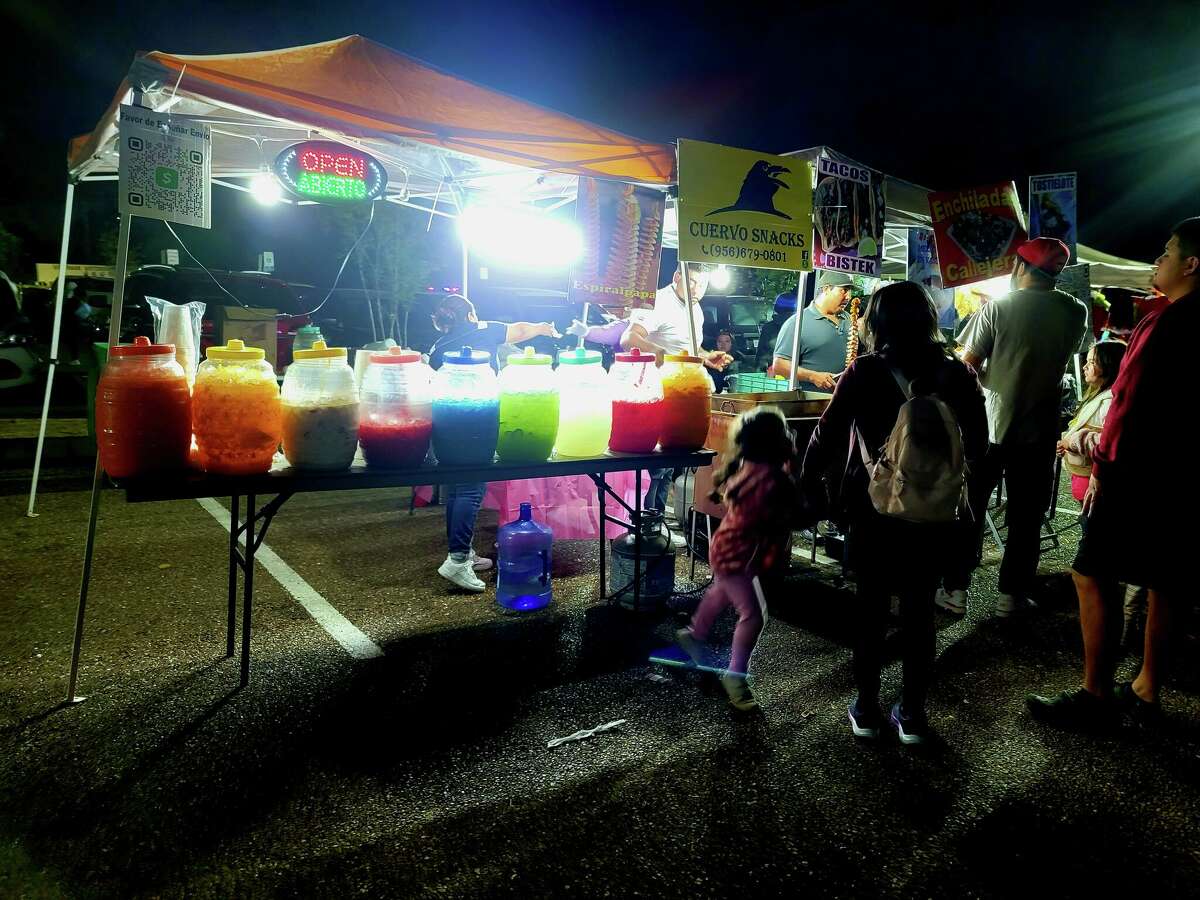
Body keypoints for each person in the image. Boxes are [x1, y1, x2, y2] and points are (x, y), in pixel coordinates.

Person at [1028, 219, 1199, 729]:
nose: (1158, 260)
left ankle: (1096, 693)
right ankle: (1146, 687)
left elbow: (1130, 402)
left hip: (1139, 473)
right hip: (1184, 476)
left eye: (1168, 252)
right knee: (1168, 580)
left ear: (1193, 263)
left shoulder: (1165, 322)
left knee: (1091, 572)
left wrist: (1102, 465)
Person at [799, 281, 988, 744]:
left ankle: (866, 708)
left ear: (877, 323)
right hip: (936, 514)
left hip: (873, 509)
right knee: (921, 611)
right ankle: (914, 715)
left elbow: (825, 436)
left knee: (871, 609)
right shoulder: (957, 375)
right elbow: (981, 445)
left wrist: (807, 488)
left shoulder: (863, 371)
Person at [938, 238, 1088, 617]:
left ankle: (955, 590)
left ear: (1020, 267)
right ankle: (1011, 597)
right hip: (1039, 431)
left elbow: (966, 367)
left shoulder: (998, 309)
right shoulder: (1076, 311)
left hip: (988, 428)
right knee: (1027, 517)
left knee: (970, 510)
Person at [426, 294, 560, 592]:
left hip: (447, 424)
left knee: (458, 488)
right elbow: (521, 330)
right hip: (474, 423)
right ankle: (457, 559)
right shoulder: (483, 328)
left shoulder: (437, 350)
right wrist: (543, 327)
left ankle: (463, 552)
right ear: (471, 315)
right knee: (471, 490)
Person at [675, 406, 796, 711]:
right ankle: (735, 676)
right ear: (776, 442)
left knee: (721, 591)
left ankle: (694, 634)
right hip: (738, 556)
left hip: (725, 548)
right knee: (754, 615)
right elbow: (779, 519)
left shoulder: (750, 466)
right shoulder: (772, 479)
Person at [623, 263, 731, 516]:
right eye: (693, 281)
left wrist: (706, 357)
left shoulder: (695, 308)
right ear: (677, 275)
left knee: (669, 465)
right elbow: (629, 338)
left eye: (703, 284)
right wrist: (656, 351)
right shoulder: (658, 301)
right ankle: (642, 524)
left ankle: (656, 520)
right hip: (658, 394)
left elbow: (689, 349)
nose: (698, 289)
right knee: (655, 466)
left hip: (684, 396)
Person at [1056, 341, 1126, 505]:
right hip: (1085, 481)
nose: (1084, 367)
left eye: (1092, 362)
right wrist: (1065, 444)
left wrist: (1072, 441)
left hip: (1096, 487)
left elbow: (1108, 441)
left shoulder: (1110, 401)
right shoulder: (1099, 394)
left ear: (1109, 366)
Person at [770, 271, 855, 391]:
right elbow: (779, 366)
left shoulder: (850, 319)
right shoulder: (798, 322)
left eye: (850, 291)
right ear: (826, 289)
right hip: (814, 401)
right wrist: (812, 376)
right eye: (844, 290)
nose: (849, 296)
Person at [754, 290, 797, 372]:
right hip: (798, 374)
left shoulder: (768, 327)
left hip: (774, 373)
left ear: (776, 307)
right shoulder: (801, 325)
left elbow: (761, 356)